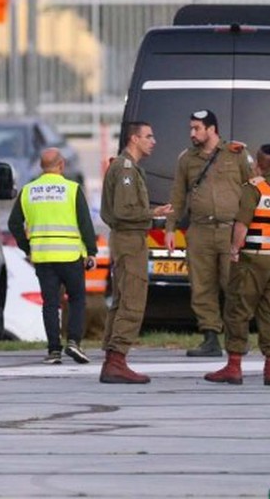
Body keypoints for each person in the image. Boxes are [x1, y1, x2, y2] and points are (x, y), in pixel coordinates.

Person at [205, 144, 270, 387]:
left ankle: (234, 366)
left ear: (257, 165)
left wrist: (235, 249)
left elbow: (242, 225)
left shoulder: (253, 188)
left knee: (238, 308)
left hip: (252, 258)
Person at [166, 109, 253, 358]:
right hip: (200, 230)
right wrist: (170, 227)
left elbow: (252, 190)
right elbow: (177, 196)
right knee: (202, 286)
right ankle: (210, 337)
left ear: (212, 129)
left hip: (229, 230)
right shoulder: (186, 159)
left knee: (234, 284)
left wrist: (248, 227)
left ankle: (237, 337)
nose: (192, 133)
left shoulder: (236, 154)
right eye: (191, 128)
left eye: (197, 128)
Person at [9, 148, 97, 365]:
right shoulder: (72, 189)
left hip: (43, 257)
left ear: (41, 166)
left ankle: (53, 350)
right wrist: (91, 252)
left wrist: (27, 248)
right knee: (76, 300)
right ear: (61, 165)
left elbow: (13, 223)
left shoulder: (28, 191)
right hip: (70, 256)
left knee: (50, 303)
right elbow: (85, 224)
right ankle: (74, 342)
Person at [99, 122, 171, 384]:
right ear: (134, 138)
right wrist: (153, 212)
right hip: (129, 240)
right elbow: (123, 211)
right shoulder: (126, 168)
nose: (153, 141)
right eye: (148, 136)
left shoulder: (127, 167)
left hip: (127, 239)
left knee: (122, 297)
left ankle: (112, 358)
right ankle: (117, 359)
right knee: (132, 297)